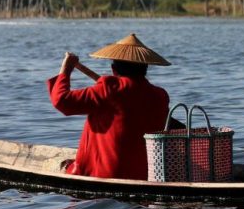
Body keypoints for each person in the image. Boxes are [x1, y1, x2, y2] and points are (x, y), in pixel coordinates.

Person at [47, 33, 171, 180]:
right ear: (145, 68)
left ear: (113, 69)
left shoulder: (109, 88)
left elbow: (61, 101)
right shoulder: (161, 95)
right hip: (145, 175)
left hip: (105, 174)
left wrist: (66, 69)